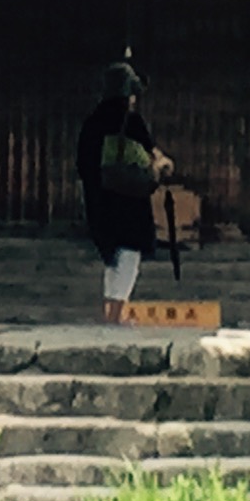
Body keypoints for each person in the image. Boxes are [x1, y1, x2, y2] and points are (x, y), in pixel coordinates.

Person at [75, 61, 173, 324]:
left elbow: (83, 164)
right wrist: (161, 166)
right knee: (129, 254)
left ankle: (109, 311)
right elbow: (153, 153)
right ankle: (117, 314)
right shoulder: (131, 122)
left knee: (112, 256)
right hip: (129, 198)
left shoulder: (92, 122)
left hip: (99, 198)